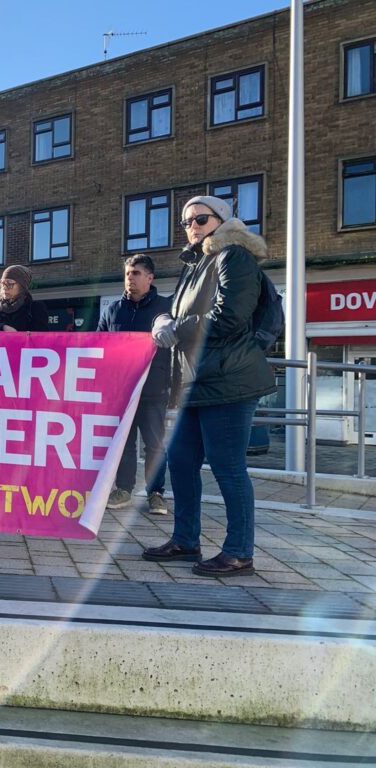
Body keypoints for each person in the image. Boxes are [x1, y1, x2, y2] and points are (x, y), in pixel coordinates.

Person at [143, 196, 276, 577]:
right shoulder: (197, 262)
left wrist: (178, 328)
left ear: (223, 220)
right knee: (182, 462)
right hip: (195, 382)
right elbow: (178, 311)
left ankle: (239, 552)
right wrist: (162, 319)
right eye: (186, 222)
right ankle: (186, 539)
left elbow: (229, 317)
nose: (192, 226)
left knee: (228, 467)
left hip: (229, 380)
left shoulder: (234, 256)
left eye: (200, 219)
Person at [97, 255, 172, 515]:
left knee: (155, 444)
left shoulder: (165, 308)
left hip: (153, 389)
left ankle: (156, 493)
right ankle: (123, 489)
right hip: (121, 391)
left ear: (150, 278)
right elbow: (100, 345)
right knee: (123, 443)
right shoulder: (112, 310)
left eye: (136, 273)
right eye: (128, 273)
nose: (130, 278)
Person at [0, 265, 50, 332]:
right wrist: (1, 327)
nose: (4, 287)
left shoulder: (35, 307)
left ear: (22, 286)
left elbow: (41, 336)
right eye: (2, 283)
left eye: (9, 283)